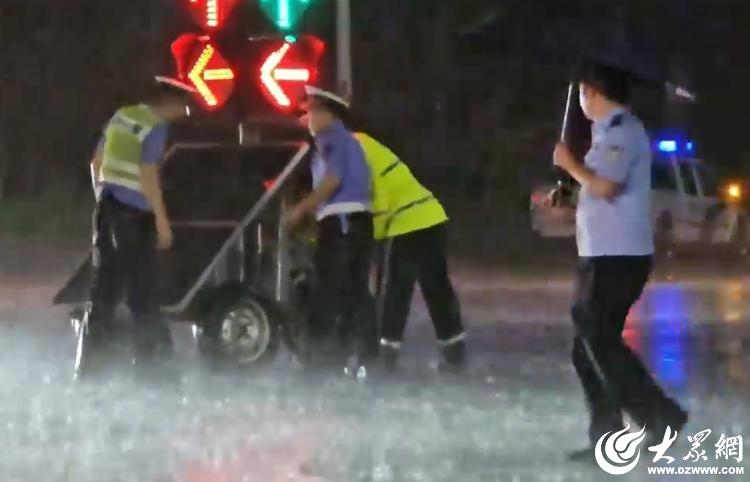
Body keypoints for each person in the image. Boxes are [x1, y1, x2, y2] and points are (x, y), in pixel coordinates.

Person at [552, 62, 687, 459]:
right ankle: (609, 435)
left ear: (592, 92)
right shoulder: (605, 135)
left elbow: (608, 187)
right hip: (600, 253)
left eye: (581, 93)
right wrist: (572, 195)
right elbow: (598, 190)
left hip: (618, 257)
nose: (579, 102)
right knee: (587, 347)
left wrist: (568, 164)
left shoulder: (623, 132)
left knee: (598, 340)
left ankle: (659, 416)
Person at [79, 76, 195, 377]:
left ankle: (90, 369)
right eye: (184, 104)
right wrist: (162, 220)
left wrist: (103, 198)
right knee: (143, 292)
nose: (186, 110)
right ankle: (155, 371)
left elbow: (96, 162)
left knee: (103, 291)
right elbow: (148, 174)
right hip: (135, 216)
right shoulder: (157, 126)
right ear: (170, 102)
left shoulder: (123, 116)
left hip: (107, 210)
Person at [354, 132, 466, 372]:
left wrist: (375, 237)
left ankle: (387, 352)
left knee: (397, 288)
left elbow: (381, 199)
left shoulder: (356, 151)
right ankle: (454, 349)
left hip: (408, 222)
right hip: (432, 216)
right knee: (436, 287)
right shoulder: (367, 146)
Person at [286, 86, 373, 367]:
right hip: (359, 223)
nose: (306, 118)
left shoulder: (330, 137)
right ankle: (363, 355)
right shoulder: (349, 140)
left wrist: (300, 210)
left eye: (309, 111)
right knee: (353, 291)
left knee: (329, 290)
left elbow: (333, 180)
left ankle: (322, 359)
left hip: (342, 224)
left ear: (326, 112)